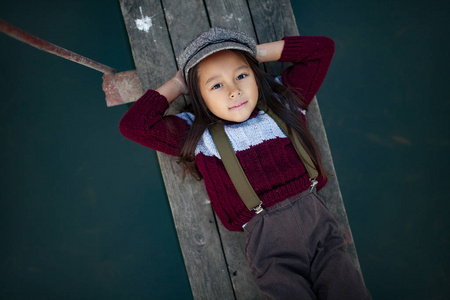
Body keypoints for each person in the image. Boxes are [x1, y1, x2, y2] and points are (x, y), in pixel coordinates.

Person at [120, 27, 371, 300]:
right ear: (198, 96)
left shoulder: (283, 99)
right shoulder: (197, 134)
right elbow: (134, 126)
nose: (234, 90)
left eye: (241, 75)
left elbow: (322, 49)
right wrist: (179, 84)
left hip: (319, 225)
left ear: (255, 75)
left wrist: (253, 52)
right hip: (269, 242)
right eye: (216, 85)